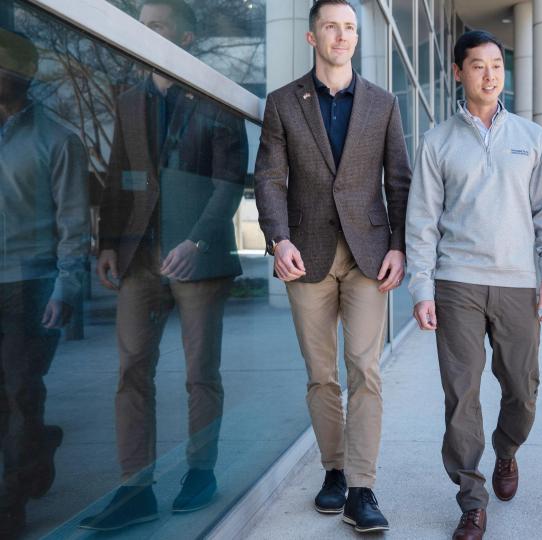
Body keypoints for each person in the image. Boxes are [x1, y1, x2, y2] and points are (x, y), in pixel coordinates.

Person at [81, 0, 247, 531]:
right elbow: (116, 176)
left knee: (200, 373)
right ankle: (136, 488)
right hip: (138, 258)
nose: (144, 34)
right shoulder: (130, 100)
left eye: (156, 26)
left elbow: (229, 182)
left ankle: (201, 471)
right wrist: (107, 242)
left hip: (197, 260)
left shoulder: (217, 99)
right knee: (132, 372)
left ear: (187, 38)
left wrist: (196, 242)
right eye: (141, 26)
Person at [253, 0, 410, 533]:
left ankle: (363, 488)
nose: (342, 36)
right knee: (322, 375)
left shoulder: (383, 104)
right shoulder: (281, 103)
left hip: (369, 256)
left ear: (356, 37)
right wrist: (278, 240)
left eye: (349, 28)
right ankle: (334, 471)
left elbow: (400, 182)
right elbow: (269, 178)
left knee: (365, 370)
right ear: (311, 37)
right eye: (331, 27)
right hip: (305, 255)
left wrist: (398, 244)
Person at [406, 30, 542, 540]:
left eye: (497, 64)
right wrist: (422, 288)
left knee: (523, 389)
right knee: (461, 394)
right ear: (458, 73)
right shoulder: (437, 141)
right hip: (457, 284)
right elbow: (422, 221)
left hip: (517, 283)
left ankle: (507, 450)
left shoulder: (531, 138)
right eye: (478, 65)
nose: (490, 74)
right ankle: (471, 498)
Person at [0, 28, 89, 539]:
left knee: (19, 394)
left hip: (30, 286)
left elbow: (74, 225)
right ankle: (37, 450)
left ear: (21, 74)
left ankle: (10, 504)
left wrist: (66, 287)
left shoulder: (59, 139)